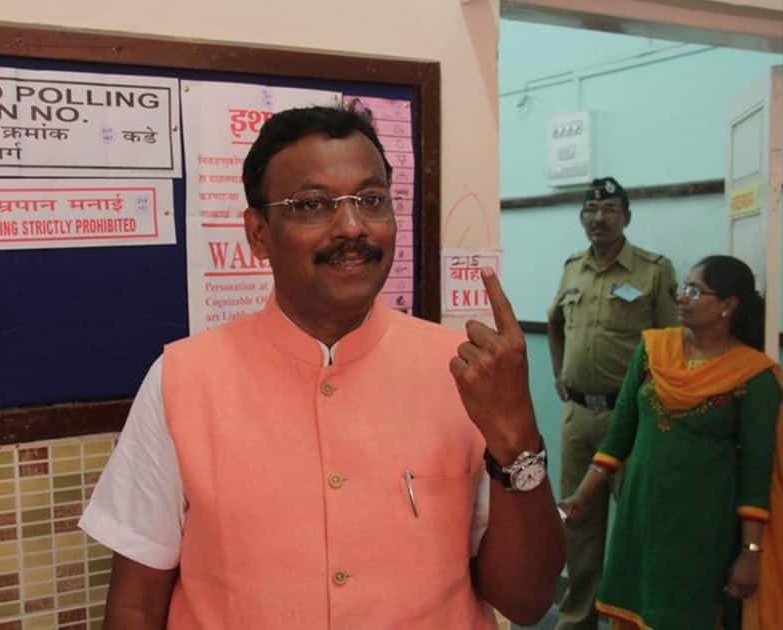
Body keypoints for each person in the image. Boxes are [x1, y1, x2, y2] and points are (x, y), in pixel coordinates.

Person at [79, 105, 564, 629]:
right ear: (259, 233)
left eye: (372, 200)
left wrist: (518, 438)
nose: (352, 226)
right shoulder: (183, 380)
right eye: (313, 205)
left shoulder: (463, 374)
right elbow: (136, 605)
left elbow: (527, 601)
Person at [558, 255, 782, 630]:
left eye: (695, 291)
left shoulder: (753, 376)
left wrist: (750, 552)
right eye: (683, 288)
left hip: (703, 527)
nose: (682, 297)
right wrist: (583, 494)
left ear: (728, 305)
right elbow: (620, 432)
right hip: (642, 515)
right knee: (635, 609)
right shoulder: (653, 351)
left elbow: (756, 470)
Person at [546, 176, 678, 630]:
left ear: (626, 216)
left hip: (634, 419)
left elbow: (670, 345)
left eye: (609, 211)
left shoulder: (653, 270)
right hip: (579, 417)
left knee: (638, 523)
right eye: (590, 211)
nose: (598, 219)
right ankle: (576, 618)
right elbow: (555, 324)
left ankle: (633, 617)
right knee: (577, 522)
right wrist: (560, 376)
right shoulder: (572, 267)